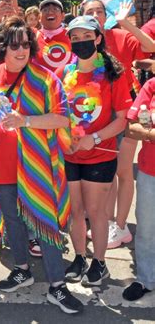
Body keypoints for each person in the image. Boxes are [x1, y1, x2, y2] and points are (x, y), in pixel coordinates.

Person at [0, 16, 83, 314]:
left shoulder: (46, 79)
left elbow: (62, 119)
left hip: (37, 169)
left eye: (25, 45)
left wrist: (27, 121)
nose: (20, 51)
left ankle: (57, 286)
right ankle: (22, 269)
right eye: (13, 45)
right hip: (0, 168)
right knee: (12, 222)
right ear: (1, 47)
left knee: (45, 225)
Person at [57, 16, 132, 286]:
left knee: (96, 212)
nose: (80, 43)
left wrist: (95, 138)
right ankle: (79, 257)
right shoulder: (65, 73)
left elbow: (122, 119)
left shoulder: (114, 73)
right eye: (74, 38)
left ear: (98, 39)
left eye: (85, 37)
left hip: (101, 155)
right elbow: (60, 113)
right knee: (76, 212)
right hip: (70, 154)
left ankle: (99, 263)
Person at [82, 0, 155, 249]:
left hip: (123, 111)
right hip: (94, 114)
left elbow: (149, 47)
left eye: (99, 11)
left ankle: (121, 226)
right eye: (89, 11)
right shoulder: (81, 40)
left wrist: (126, 23)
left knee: (123, 171)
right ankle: (107, 220)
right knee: (106, 172)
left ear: (106, 16)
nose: (95, 15)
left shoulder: (121, 36)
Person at [123, 76, 154, 301]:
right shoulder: (151, 86)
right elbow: (132, 128)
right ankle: (146, 278)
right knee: (146, 229)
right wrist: (151, 134)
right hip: (149, 172)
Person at [34, 0, 72, 72]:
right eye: (45, 10)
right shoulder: (32, 36)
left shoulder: (73, 35)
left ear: (63, 16)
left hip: (68, 83)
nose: (50, 12)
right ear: (39, 17)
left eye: (55, 9)